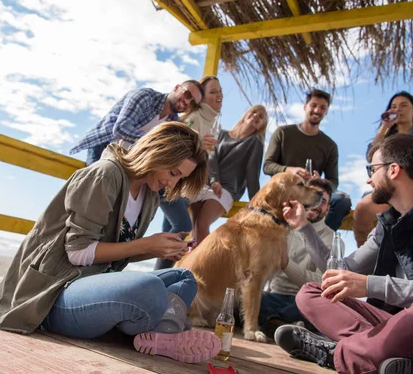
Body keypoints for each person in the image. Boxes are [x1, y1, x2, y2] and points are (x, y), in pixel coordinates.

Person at [0, 122, 221, 363]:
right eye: (173, 173)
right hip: (53, 294)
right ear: (157, 153)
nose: (172, 184)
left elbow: (116, 251)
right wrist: (146, 245)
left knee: (184, 278)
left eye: (180, 178)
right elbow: (78, 253)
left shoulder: (148, 193)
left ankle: (159, 331)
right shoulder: (105, 174)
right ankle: (164, 325)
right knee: (149, 291)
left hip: (92, 284)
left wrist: (160, 249)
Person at [274, 133, 413, 374]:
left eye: (372, 169)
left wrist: (370, 285)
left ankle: (335, 352)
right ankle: (412, 369)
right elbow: (342, 270)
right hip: (402, 327)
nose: (368, 179)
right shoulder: (388, 224)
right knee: (312, 292)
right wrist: (302, 225)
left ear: (394, 170)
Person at [352, 91, 413, 247]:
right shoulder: (386, 137)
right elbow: (370, 157)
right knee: (363, 208)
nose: (397, 109)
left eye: (403, 105)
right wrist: (384, 127)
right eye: (393, 107)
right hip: (385, 188)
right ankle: (365, 255)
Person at [258, 178, 342, 338]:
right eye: (312, 197)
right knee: (246, 298)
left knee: (323, 309)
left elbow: (322, 283)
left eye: (322, 201)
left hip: (305, 300)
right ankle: (284, 327)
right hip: (274, 297)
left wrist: (286, 264)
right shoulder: (283, 227)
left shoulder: (332, 239)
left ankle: (275, 325)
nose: (316, 204)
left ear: (328, 208)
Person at [155, 75, 223, 270]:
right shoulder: (194, 119)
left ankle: (161, 278)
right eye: (213, 92)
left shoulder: (210, 120)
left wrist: (211, 179)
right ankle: (159, 278)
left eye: (220, 91)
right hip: (173, 179)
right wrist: (199, 143)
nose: (219, 95)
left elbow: (205, 157)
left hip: (185, 182)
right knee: (181, 227)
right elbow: (178, 144)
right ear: (201, 99)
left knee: (171, 228)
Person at [263, 89, 351, 231]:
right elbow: (267, 166)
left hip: (310, 194)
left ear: (327, 111)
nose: (317, 110)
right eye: (314, 105)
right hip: (285, 191)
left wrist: (320, 182)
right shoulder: (283, 133)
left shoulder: (330, 146)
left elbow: (333, 182)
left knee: (342, 201)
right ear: (305, 106)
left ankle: (319, 243)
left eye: (323, 107)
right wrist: (288, 170)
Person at [69, 80, 204, 165]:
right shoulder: (145, 96)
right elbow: (120, 128)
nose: (187, 102)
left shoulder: (173, 123)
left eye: (193, 103)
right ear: (176, 88)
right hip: (104, 146)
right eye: (187, 95)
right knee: (96, 185)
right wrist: (156, 142)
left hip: (130, 159)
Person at [190, 105, 267, 242]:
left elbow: (252, 175)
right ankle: (190, 259)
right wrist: (214, 180)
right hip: (207, 183)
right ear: (246, 114)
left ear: (261, 126)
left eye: (261, 117)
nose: (256, 116)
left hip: (226, 190)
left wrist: (257, 202)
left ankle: (206, 262)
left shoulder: (255, 143)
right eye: (254, 112)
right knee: (193, 227)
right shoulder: (222, 134)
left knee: (202, 222)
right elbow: (211, 157)